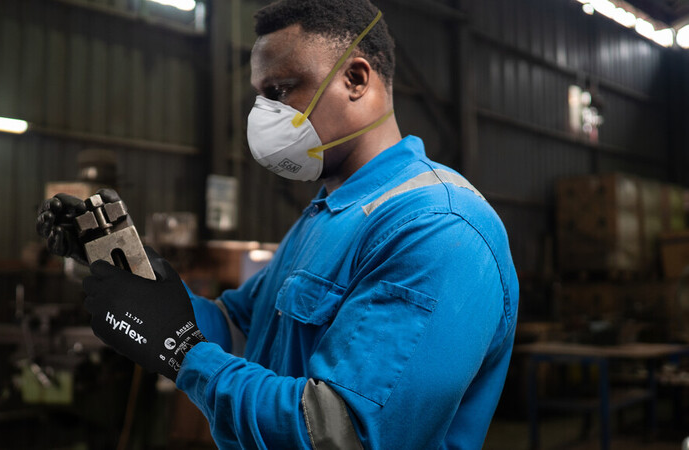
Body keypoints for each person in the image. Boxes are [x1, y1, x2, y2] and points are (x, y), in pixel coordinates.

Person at [37, 0, 519, 448]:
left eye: (280, 90)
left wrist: (182, 350)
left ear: (355, 78)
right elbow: (240, 330)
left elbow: (343, 431)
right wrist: (127, 266)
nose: (264, 114)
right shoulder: (328, 214)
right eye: (260, 96)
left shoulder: (440, 229)